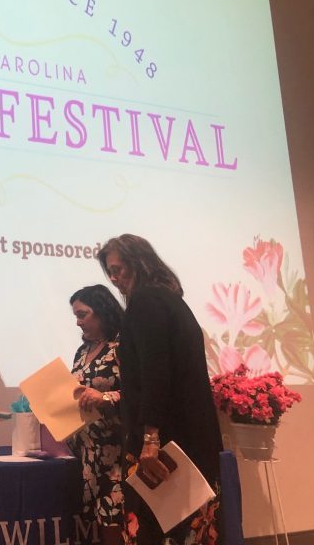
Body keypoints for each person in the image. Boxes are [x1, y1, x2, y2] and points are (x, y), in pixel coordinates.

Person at [98, 234, 223, 545]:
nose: (114, 279)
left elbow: (155, 372)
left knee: (155, 529)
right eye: (109, 272)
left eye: (118, 269)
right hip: (189, 437)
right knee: (191, 528)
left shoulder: (145, 302)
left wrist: (150, 439)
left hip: (166, 443)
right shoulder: (169, 300)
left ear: (138, 263)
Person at [67, 284, 124, 545]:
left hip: (116, 453)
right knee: (98, 526)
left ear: (102, 310)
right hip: (88, 453)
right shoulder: (82, 352)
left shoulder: (122, 346)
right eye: (76, 316)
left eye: (82, 315)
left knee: (115, 523)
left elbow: (141, 392)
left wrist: (106, 397)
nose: (78, 322)